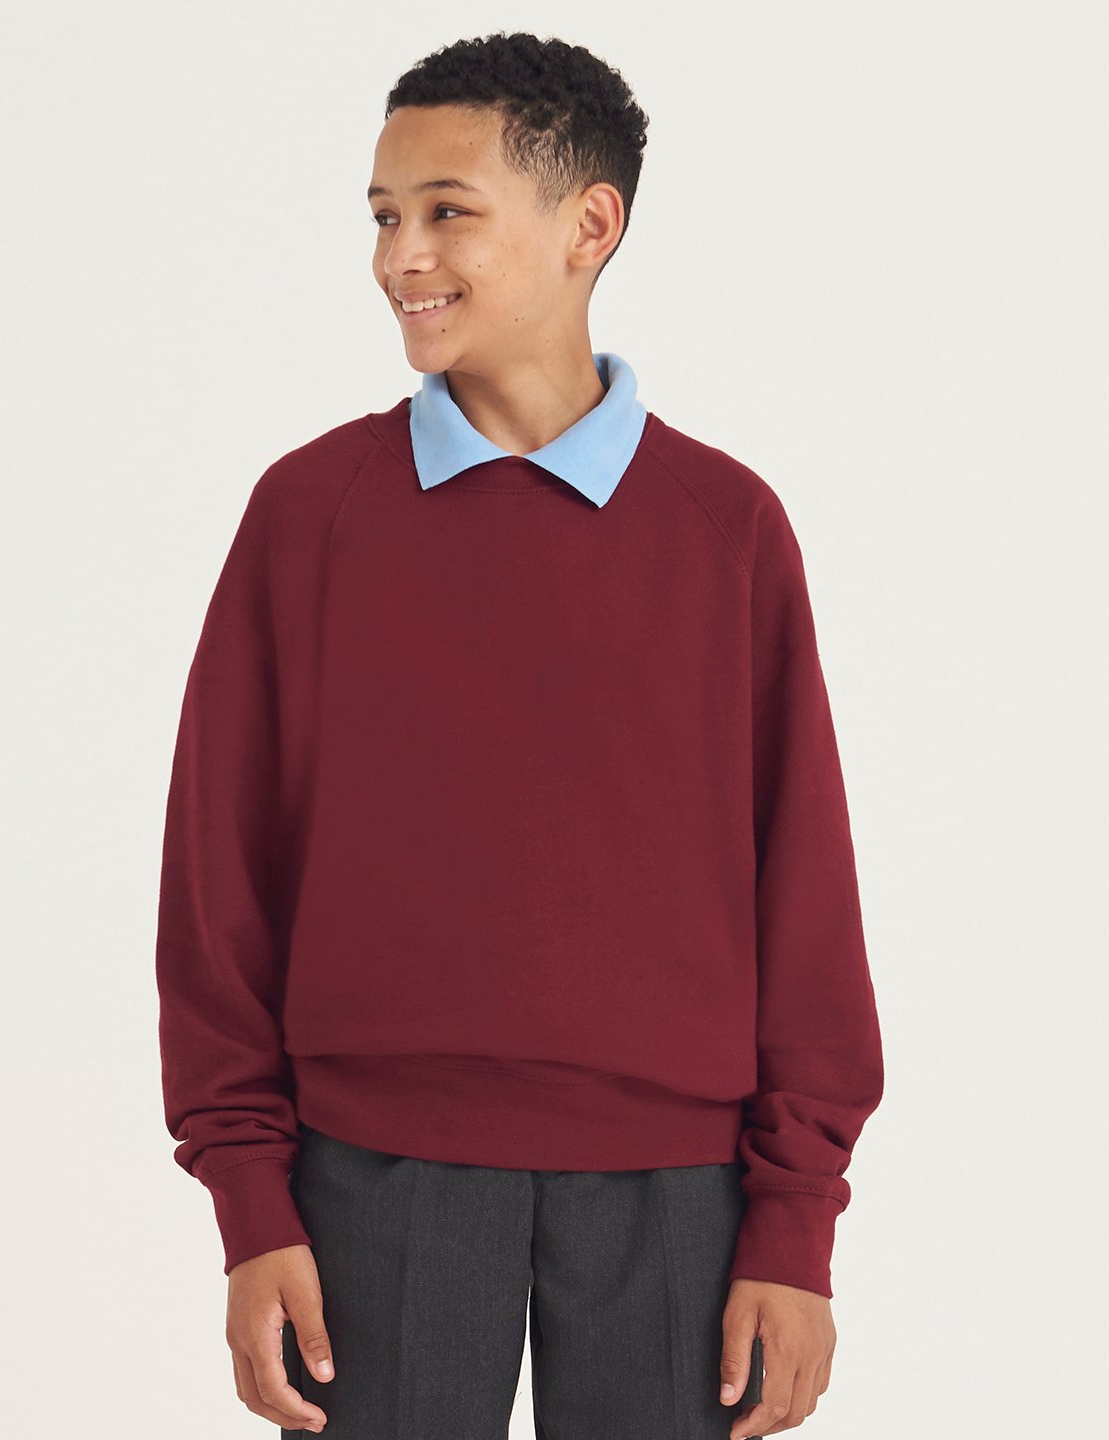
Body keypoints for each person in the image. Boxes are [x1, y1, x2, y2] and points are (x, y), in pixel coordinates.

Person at [154, 30, 883, 1440]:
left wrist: (797, 1222)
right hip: (370, 1175)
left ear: (588, 227)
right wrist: (250, 1200)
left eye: (446, 212)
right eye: (383, 216)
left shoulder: (725, 527)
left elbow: (804, 887)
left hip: (678, 1195)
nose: (400, 258)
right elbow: (219, 879)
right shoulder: (312, 514)